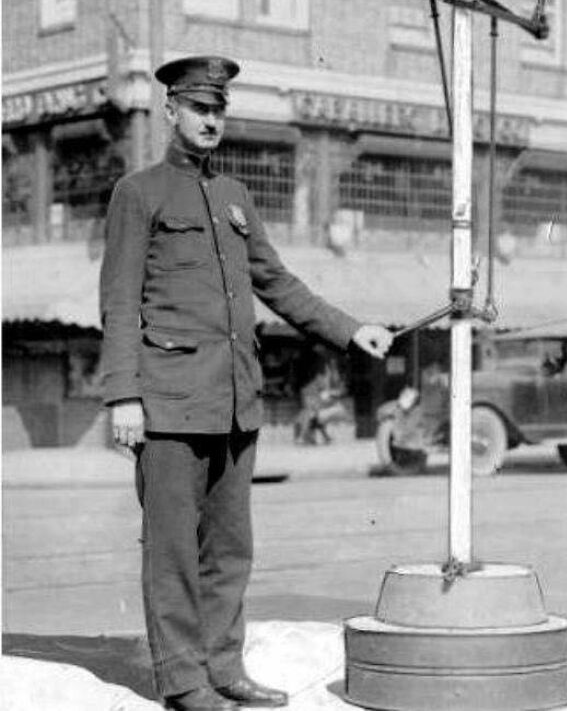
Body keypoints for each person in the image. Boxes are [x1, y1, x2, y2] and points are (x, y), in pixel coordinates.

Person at [100, 55, 393, 711]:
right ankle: (182, 679)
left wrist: (351, 330)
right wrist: (123, 394)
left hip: (236, 401)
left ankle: (224, 668)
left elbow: (278, 281)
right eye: (199, 107)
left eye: (220, 109)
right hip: (169, 403)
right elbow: (119, 301)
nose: (211, 120)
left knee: (231, 549)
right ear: (171, 109)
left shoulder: (234, 196)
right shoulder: (139, 192)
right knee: (173, 551)